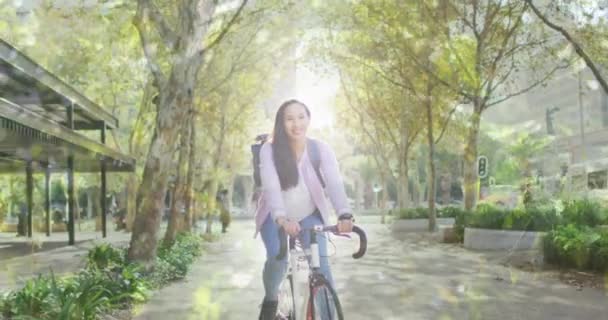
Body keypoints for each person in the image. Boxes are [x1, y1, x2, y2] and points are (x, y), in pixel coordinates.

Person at [254, 99, 354, 320]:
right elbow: (271, 187)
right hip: (274, 217)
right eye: (289, 118)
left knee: (322, 270)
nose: (296, 123)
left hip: (309, 214)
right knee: (278, 262)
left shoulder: (320, 149)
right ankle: (271, 299)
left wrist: (344, 213)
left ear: (309, 119)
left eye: (301, 117)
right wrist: (281, 219)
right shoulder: (269, 150)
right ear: (281, 123)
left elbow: (335, 184)